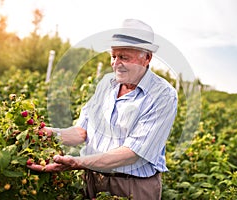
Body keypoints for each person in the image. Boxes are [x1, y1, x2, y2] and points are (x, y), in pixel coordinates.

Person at [27, 19, 178, 200]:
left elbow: (132, 154)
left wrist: (77, 162)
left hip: (132, 187)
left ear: (147, 58)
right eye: (113, 56)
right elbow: (82, 131)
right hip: (92, 179)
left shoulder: (163, 95)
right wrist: (48, 133)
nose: (116, 63)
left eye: (124, 57)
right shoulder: (107, 84)